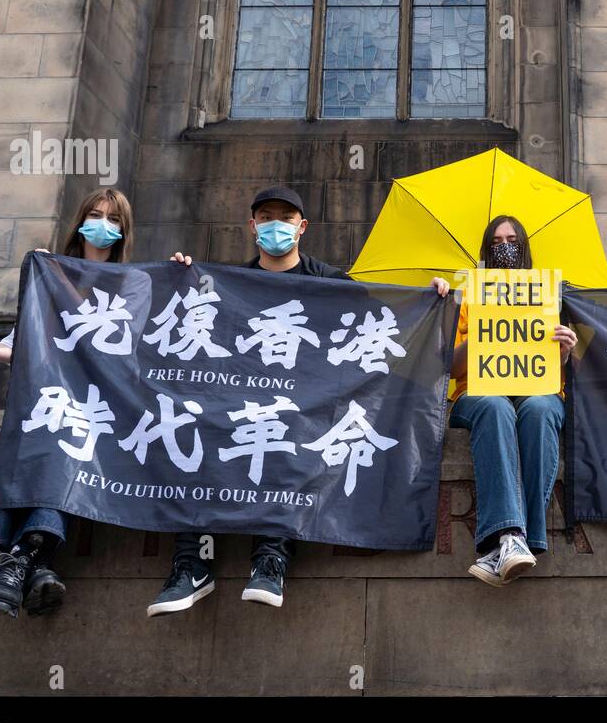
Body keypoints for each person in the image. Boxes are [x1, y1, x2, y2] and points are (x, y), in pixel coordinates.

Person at [149, 185, 449, 616]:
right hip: (238, 405)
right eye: (266, 216)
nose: (276, 225)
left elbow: (384, 327)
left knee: (284, 434)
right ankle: (192, 564)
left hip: (305, 410)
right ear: (251, 225)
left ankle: (271, 558)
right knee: (192, 432)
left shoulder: (331, 284)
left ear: (302, 227)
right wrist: (179, 276)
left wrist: (429, 298)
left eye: (286, 218)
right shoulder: (230, 285)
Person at [0, 187, 135, 618]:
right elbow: (15, 348)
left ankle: (19, 562)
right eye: (95, 215)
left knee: (64, 445)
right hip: (53, 408)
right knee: (55, 443)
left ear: (124, 231)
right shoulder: (49, 276)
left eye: (113, 219)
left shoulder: (134, 285)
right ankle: (32, 566)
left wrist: (182, 273)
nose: (103, 226)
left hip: (101, 414)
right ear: (79, 221)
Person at [433, 216, 577, 586]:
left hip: (537, 393)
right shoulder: (468, 295)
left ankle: (513, 542)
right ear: (486, 249)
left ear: (524, 245)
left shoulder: (550, 293)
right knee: (495, 407)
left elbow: (563, 372)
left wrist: (564, 351)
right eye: (496, 241)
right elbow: (449, 366)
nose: (505, 246)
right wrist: (475, 331)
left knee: (541, 409)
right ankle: (514, 536)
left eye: (512, 239)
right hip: (477, 394)